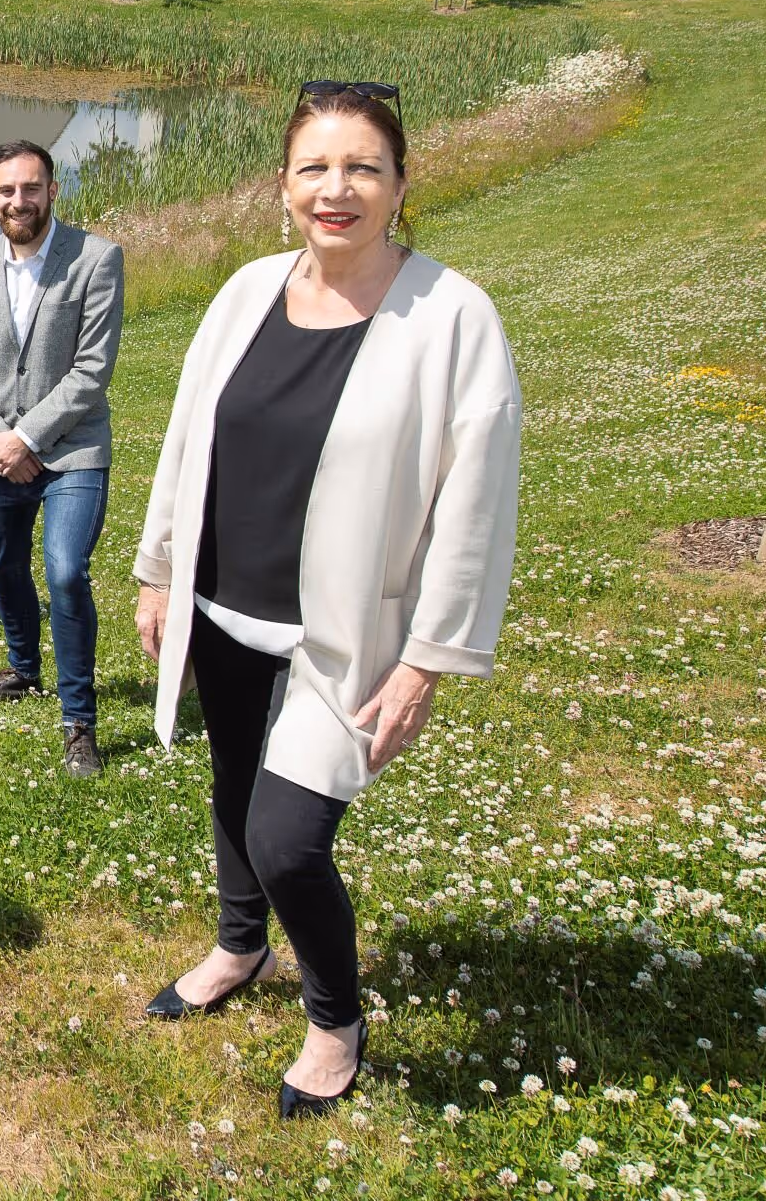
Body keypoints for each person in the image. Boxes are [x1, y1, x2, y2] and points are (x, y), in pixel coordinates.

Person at [132, 83, 521, 1119]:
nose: (335, 189)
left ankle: (333, 1017)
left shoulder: (451, 318)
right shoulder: (245, 291)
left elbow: (474, 501)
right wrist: (160, 567)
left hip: (346, 635)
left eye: (362, 168)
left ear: (401, 184)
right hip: (222, 605)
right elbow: (188, 438)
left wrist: (429, 655)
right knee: (229, 791)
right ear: (283, 185)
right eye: (314, 168)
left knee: (288, 837)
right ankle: (238, 947)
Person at [0, 139, 126, 778]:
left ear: (53, 191)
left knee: (66, 572)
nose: (17, 201)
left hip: (73, 450)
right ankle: (24, 668)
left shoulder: (97, 259)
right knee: (3, 567)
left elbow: (91, 370)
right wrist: (2, 438)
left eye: (30, 188)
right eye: (5, 190)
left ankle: (79, 720)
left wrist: (29, 438)